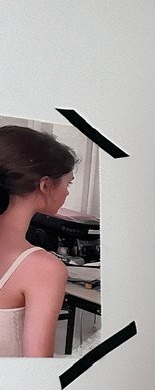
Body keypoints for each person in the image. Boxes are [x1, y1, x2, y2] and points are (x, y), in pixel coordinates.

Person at [0, 125, 77, 357]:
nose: (67, 193)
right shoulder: (43, 269)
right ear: (45, 185)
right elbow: (37, 366)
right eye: (68, 183)